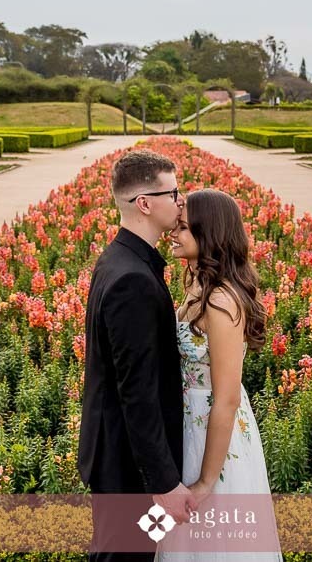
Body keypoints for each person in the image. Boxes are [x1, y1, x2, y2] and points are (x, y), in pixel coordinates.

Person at [78, 149, 196, 562]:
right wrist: (164, 483)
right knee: (122, 558)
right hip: (127, 467)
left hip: (121, 457)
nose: (181, 201)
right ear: (144, 203)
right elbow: (138, 392)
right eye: (174, 192)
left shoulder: (121, 260)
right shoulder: (133, 279)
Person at [158, 189, 282, 562]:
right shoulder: (197, 286)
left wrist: (207, 480)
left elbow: (226, 397)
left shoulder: (221, 301)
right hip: (190, 422)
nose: (172, 234)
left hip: (214, 436)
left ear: (207, 234)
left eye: (182, 228)